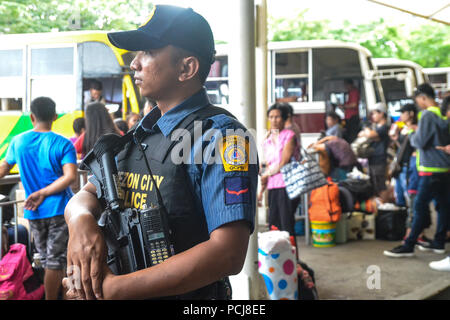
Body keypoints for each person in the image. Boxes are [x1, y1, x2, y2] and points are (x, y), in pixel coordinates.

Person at [62, 5, 257, 300]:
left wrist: (113, 290)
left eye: (148, 52)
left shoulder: (223, 137)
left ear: (186, 68)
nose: (135, 63)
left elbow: (227, 253)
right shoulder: (141, 135)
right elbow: (86, 195)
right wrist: (79, 221)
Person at [0, 97, 77, 299]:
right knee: (55, 260)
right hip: (60, 208)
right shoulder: (62, 143)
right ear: (55, 116)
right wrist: (43, 193)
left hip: (33, 211)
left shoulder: (18, 142)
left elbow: (3, 169)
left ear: (32, 116)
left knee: (46, 259)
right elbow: (70, 176)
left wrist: (38, 193)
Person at [384, 83, 450, 258]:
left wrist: (412, 133)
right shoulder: (442, 114)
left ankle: (409, 244)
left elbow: (419, 142)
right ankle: (438, 242)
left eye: (418, 100)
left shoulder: (427, 115)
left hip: (429, 168)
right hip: (444, 167)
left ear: (423, 98)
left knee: (419, 206)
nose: (418, 104)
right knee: (443, 207)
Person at [258, 103, 300, 236]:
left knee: (286, 224)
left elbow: (284, 161)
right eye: (271, 117)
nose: (274, 120)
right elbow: (265, 164)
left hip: (286, 185)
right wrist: (261, 191)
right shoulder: (267, 140)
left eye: (277, 117)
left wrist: (268, 173)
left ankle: (292, 256)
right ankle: (279, 256)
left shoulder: (289, 135)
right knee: (274, 225)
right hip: (272, 187)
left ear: (283, 119)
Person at [358, 102, 390, 196]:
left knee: (380, 186)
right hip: (372, 160)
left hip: (380, 161)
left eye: (375, 113)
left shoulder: (384, 128)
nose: (373, 116)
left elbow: (369, 134)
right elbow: (360, 135)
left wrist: (366, 129)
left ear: (382, 114)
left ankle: (385, 207)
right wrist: (368, 132)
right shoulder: (375, 127)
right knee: (374, 186)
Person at [339, 79, 360, 143]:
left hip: (352, 117)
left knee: (352, 135)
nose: (345, 87)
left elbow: (354, 105)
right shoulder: (350, 93)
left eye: (346, 85)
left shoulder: (354, 92)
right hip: (348, 117)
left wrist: (343, 106)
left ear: (350, 85)